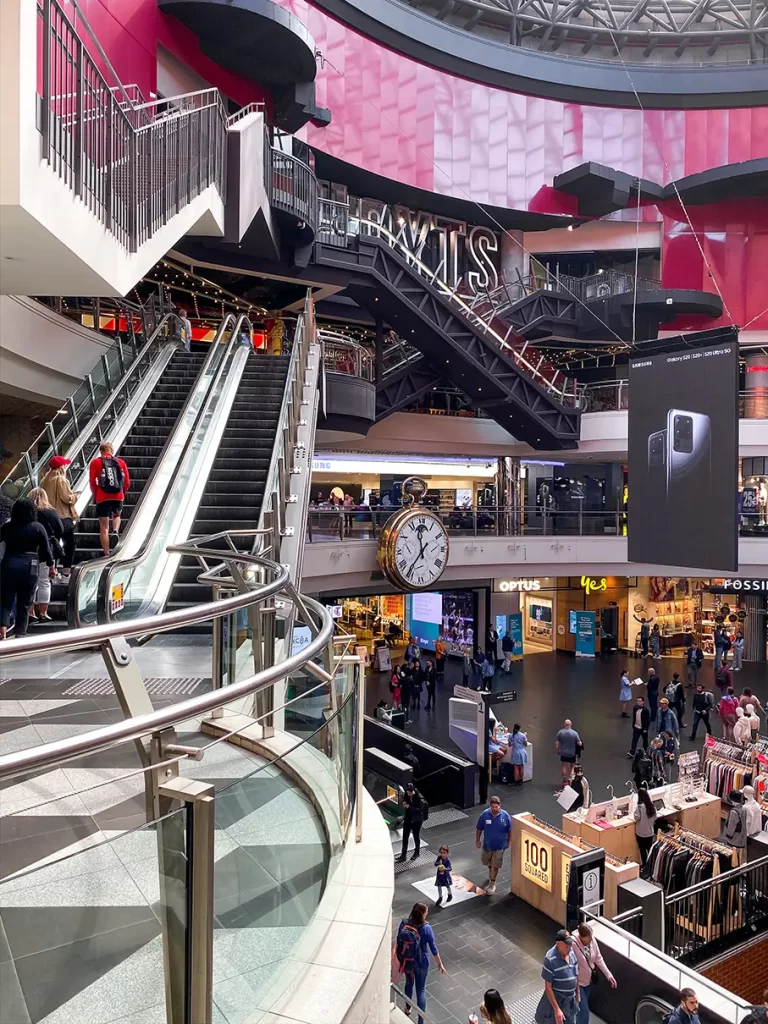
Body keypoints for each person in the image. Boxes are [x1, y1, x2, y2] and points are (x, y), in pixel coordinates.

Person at [0, 498, 54, 640]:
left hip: (9, 563)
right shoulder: (38, 527)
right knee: (25, 602)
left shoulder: (8, 527)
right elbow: (46, 550)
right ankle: (20, 634)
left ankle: (3, 632)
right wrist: (51, 566)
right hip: (30, 565)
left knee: (6, 600)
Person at [395, 902, 446, 1024]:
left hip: (407, 961)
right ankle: (421, 1021)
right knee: (421, 990)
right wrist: (440, 963)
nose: (427, 913)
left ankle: (407, 1008)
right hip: (422, 962)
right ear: (422, 915)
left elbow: (398, 941)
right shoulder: (426, 928)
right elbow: (433, 948)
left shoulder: (404, 924)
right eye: (426, 912)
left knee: (409, 983)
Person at [27, 487, 63, 622]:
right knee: (44, 581)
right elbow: (60, 529)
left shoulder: (28, 513)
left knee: (30, 583)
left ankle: (30, 613)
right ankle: (43, 613)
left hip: (29, 550)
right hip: (47, 550)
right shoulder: (50, 512)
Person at [89, 442, 130, 557]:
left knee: (104, 527)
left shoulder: (96, 462)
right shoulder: (120, 462)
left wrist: (95, 494)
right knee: (116, 515)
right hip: (118, 495)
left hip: (102, 497)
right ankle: (116, 530)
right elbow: (127, 482)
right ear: (112, 450)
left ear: (101, 451)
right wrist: (122, 492)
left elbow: (92, 482)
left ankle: (107, 554)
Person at [41, 455, 78, 580]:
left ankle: (52, 570)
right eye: (64, 464)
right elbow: (67, 498)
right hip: (62, 517)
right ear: (61, 467)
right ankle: (66, 572)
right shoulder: (61, 480)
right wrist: (74, 496)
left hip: (48, 516)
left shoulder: (44, 481)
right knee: (70, 544)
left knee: (53, 543)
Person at [573, 922, 616, 1024]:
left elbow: (598, 958)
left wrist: (608, 975)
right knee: (584, 1011)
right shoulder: (573, 945)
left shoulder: (592, 941)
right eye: (588, 938)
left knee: (581, 1008)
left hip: (589, 981)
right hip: (578, 984)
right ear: (581, 937)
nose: (590, 940)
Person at [536, 929, 579, 1024]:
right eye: (566, 946)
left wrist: (578, 994)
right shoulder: (550, 959)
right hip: (558, 1000)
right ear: (558, 943)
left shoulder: (571, 953)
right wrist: (557, 1009)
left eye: (570, 945)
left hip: (570, 1000)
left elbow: (576, 975)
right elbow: (548, 987)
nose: (569, 948)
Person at [475, 794, 512, 895]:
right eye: (493, 807)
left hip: (500, 846)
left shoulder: (505, 816)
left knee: (496, 865)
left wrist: (509, 841)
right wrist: (477, 840)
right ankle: (490, 871)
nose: (495, 809)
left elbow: (509, 830)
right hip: (487, 845)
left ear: (500, 806)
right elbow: (479, 828)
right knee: (486, 861)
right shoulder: (484, 815)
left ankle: (492, 883)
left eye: (497, 807)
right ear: (490, 806)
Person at [398, 783, 427, 862]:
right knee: (405, 837)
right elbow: (405, 801)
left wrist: (409, 807)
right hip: (408, 818)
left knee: (416, 837)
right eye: (408, 791)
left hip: (417, 820)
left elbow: (420, 810)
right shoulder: (406, 795)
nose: (409, 793)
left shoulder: (419, 798)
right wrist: (404, 803)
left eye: (410, 792)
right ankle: (403, 855)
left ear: (414, 791)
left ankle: (417, 852)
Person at [633, 785, 658, 866]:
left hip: (641, 833)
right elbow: (655, 817)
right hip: (650, 833)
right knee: (650, 850)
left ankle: (645, 866)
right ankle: (651, 866)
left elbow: (636, 818)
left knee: (643, 851)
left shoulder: (639, 807)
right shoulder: (652, 806)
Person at [556, 719, 582, 785]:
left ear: (564, 724)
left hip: (564, 752)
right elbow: (579, 743)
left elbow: (557, 743)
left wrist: (558, 750)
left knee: (564, 765)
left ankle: (565, 781)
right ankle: (571, 780)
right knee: (572, 766)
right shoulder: (574, 733)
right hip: (572, 753)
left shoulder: (560, 732)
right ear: (571, 725)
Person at [724, 790, 748, 862]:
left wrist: (728, 835)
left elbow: (731, 826)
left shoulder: (734, 812)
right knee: (741, 855)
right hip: (743, 835)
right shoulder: (744, 808)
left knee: (733, 856)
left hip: (735, 838)